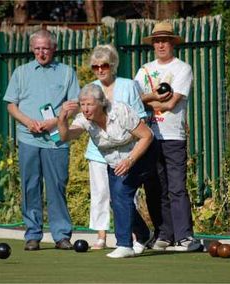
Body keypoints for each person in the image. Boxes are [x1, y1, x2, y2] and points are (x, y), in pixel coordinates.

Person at [3, 29, 80, 251]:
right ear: (32, 49)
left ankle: (61, 235)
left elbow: (74, 105)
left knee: (57, 186)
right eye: (37, 48)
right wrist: (28, 122)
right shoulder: (21, 72)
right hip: (28, 137)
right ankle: (33, 235)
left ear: (53, 48)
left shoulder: (66, 73)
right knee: (30, 186)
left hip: (56, 138)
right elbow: (11, 105)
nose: (41, 52)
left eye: (45, 48)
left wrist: (55, 122)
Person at [58, 83, 154, 258]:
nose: (85, 109)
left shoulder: (119, 111)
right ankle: (143, 234)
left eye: (90, 104)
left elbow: (147, 135)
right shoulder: (84, 120)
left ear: (101, 103)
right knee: (115, 200)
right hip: (116, 163)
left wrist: (130, 159)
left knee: (121, 192)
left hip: (141, 155)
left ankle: (125, 245)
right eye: (83, 104)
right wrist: (62, 118)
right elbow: (65, 136)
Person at [134, 21, 201, 252]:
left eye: (165, 40)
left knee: (176, 187)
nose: (161, 44)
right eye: (157, 40)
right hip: (148, 137)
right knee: (154, 186)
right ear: (153, 44)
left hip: (174, 135)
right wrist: (155, 98)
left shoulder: (183, 69)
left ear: (173, 42)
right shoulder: (144, 70)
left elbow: (172, 103)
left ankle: (184, 236)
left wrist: (149, 99)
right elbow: (135, 99)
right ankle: (164, 234)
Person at [85, 44, 150, 252]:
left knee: (123, 196)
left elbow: (140, 116)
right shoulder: (90, 87)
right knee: (101, 193)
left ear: (112, 65)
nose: (100, 70)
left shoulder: (128, 85)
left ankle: (135, 235)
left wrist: (132, 152)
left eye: (103, 65)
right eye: (95, 67)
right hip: (99, 148)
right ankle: (101, 236)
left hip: (126, 150)